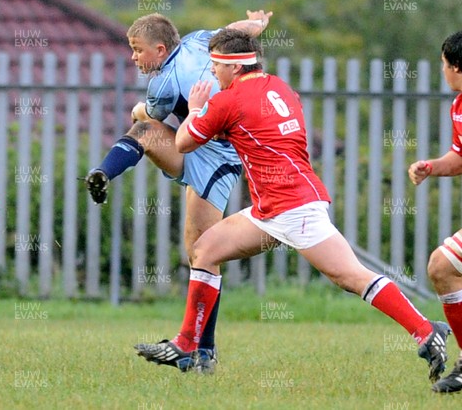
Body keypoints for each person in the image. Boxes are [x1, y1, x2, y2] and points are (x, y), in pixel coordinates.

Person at [135, 28, 452, 385]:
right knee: (205, 249)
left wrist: (194, 110)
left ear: (234, 68)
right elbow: (260, 127)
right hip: (274, 206)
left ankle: (427, 331)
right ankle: (188, 344)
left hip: (292, 208)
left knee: (350, 276)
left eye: (215, 67)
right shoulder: (279, 86)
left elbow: (182, 142)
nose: (211, 74)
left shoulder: (227, 100)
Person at [84, 11, 272, 373]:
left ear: (159, 48)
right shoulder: (201, 37)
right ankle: (102, 174)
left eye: (137, 51)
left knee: (202, 251)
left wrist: (140, 107)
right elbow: (235, 31)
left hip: (218, 155)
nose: (134, 58)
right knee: (197, 250)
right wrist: (258, 24)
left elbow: (147, 110)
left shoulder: (164, 82)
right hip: (195, 143)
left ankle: (203, 352)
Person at [408, 30, 462, 393]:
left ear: (457, 67)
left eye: (443, 65)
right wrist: (432, 166)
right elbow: (459, 156)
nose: (442, 71)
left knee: (442, 264)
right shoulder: (458, 107)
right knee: (443, 267)